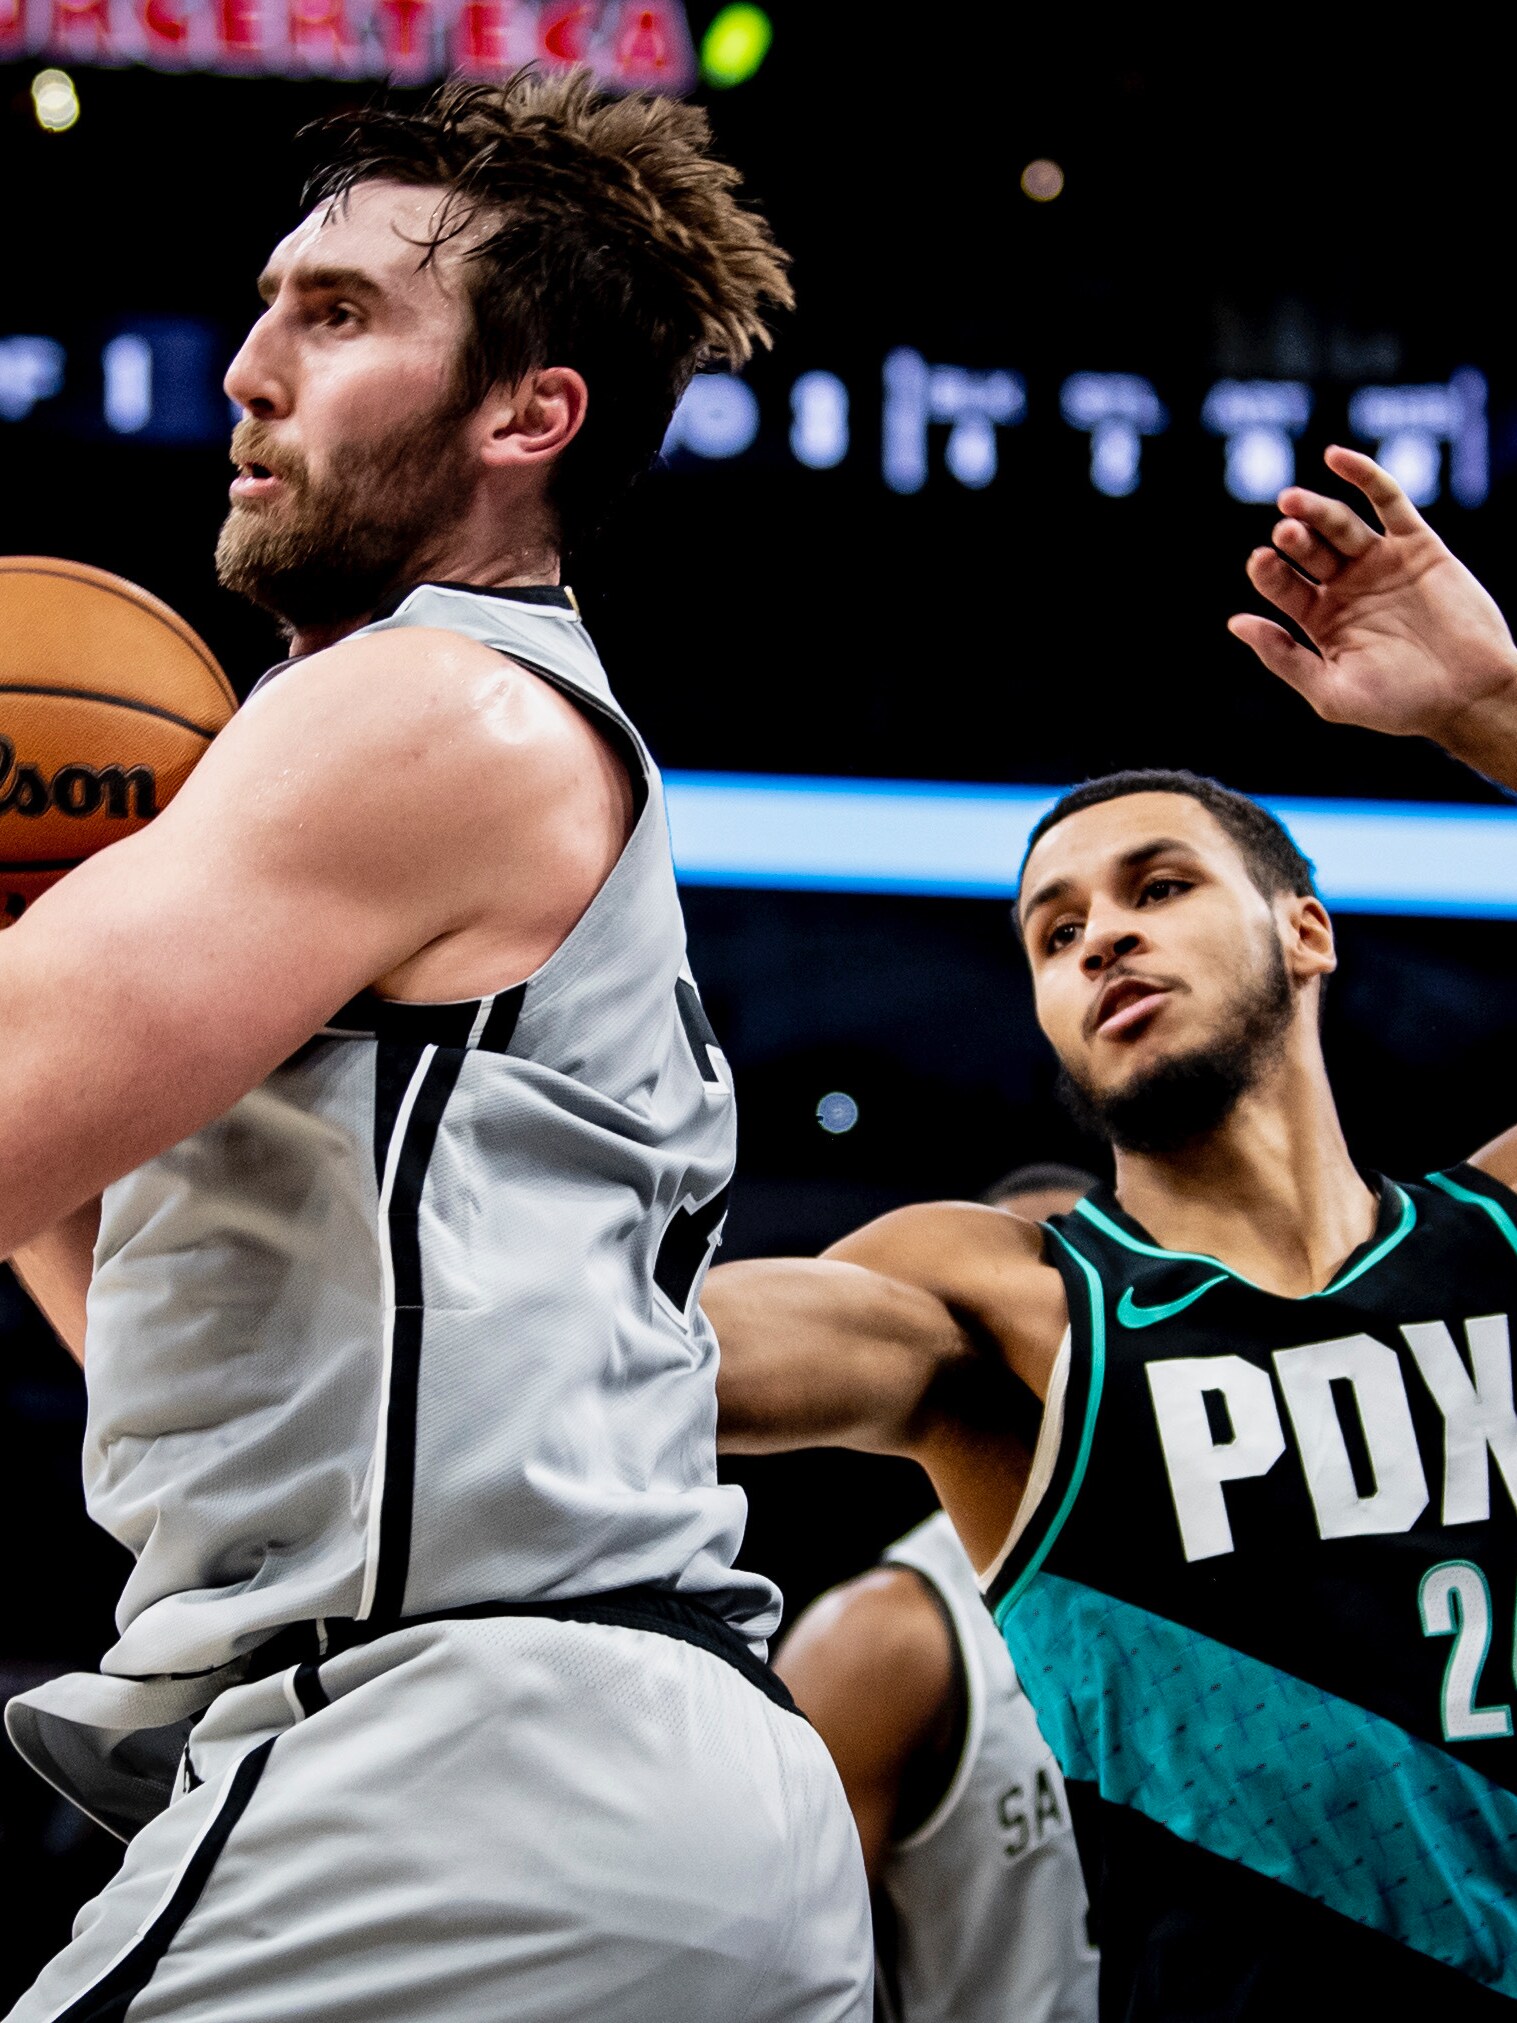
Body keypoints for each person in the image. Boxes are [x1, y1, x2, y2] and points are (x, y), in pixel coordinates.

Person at [0, 73, 871, 2022]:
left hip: (463, 1765)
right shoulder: (481, 748)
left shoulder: (409, 704)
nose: (245, 369)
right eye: (265, 304)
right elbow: (185, 1345)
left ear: (523, 413)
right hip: (662, 1802)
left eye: (334, 314)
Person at [711, 446, 1517, 2018]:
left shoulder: (1496, 1230)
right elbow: (632, 1353)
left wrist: (1491, 702)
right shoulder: (1011, 1306)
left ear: (1305, 930)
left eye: (1157, 885)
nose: (1104, 939)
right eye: (1056, 930)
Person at [776, 1166, 1100, 2023]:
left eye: (1072, 1302)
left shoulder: (1254, 1582)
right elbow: (778, 1978)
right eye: (1009, 1306)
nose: (1044, 1336)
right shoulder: (888, 1638)